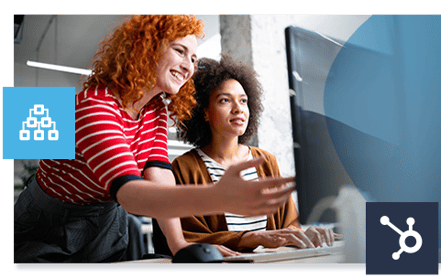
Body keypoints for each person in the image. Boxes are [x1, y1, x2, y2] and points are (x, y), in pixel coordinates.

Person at [13, 15, 295, 263]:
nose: (188, 66)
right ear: (147, 47)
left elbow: (158, 176)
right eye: (180, 51)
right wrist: (215, 197)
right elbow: (132, 196)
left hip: (106, 219)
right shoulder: (95, 106)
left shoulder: (155, 109)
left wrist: (180, 245)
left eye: (193, 59)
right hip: (48, 222)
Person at [170, 54, 339, 257]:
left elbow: (288, 226)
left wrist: (306, 234)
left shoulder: (266, 161)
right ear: (204, 112)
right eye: (225, 100)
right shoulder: (185, 167)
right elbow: (186, 236)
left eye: (243, 101)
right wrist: (248, 238)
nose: (238, 109)